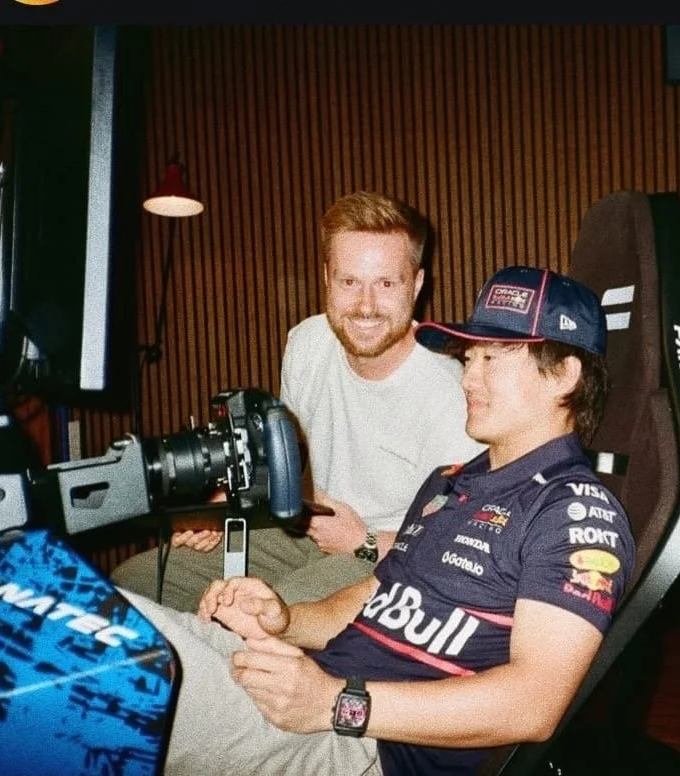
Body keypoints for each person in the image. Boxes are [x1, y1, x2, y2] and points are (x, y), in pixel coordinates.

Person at [120, 265, 636, 776]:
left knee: (93, 669)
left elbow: (533, 705)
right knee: (102, 619)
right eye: (469, 356)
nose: (469, 376)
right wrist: (285, 619)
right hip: (315, 692)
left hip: (364, 746)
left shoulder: (574, 514)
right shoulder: (450, 483)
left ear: (564, 375)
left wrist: (335, 704)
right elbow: (376, 595)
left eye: (494, 358)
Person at [111, 191, 484, 610]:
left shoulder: (453, 391)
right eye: (349, 282)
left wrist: (362, 542)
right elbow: (289, 460)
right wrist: (226, 507)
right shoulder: (306, 343)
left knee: (261, 617)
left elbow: (460, 545)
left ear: (416, 285)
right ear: (327, 278)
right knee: (134, 583)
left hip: (391, 554)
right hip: (307, 529)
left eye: (385, 283)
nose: (366, 306)